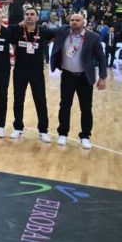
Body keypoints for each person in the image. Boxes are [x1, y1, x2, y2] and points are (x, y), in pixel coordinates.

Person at [50, 13, 107, 149]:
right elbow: (44, 30)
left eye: (77, 20)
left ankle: (85, 136)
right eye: (72, 20)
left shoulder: (93, 37)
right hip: (67, 76)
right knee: (64, 106)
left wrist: (103, 77)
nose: (74, 22)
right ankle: (62, 133)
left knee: (86, 108)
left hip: (84, 77)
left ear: (84, 22)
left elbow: (101, 58)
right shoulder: (62, 32)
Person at [8, 8, 56, 142]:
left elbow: (61, 32)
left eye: (32, 14)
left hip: (37, 72)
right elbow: (2, 27)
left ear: (37, 18)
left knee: (40, 101)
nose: (29, 16)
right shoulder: (17, 30)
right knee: (18, 100)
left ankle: (43, 130)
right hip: (20, 71)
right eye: (27, 14)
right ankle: (18, 128)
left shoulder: (44, 31)